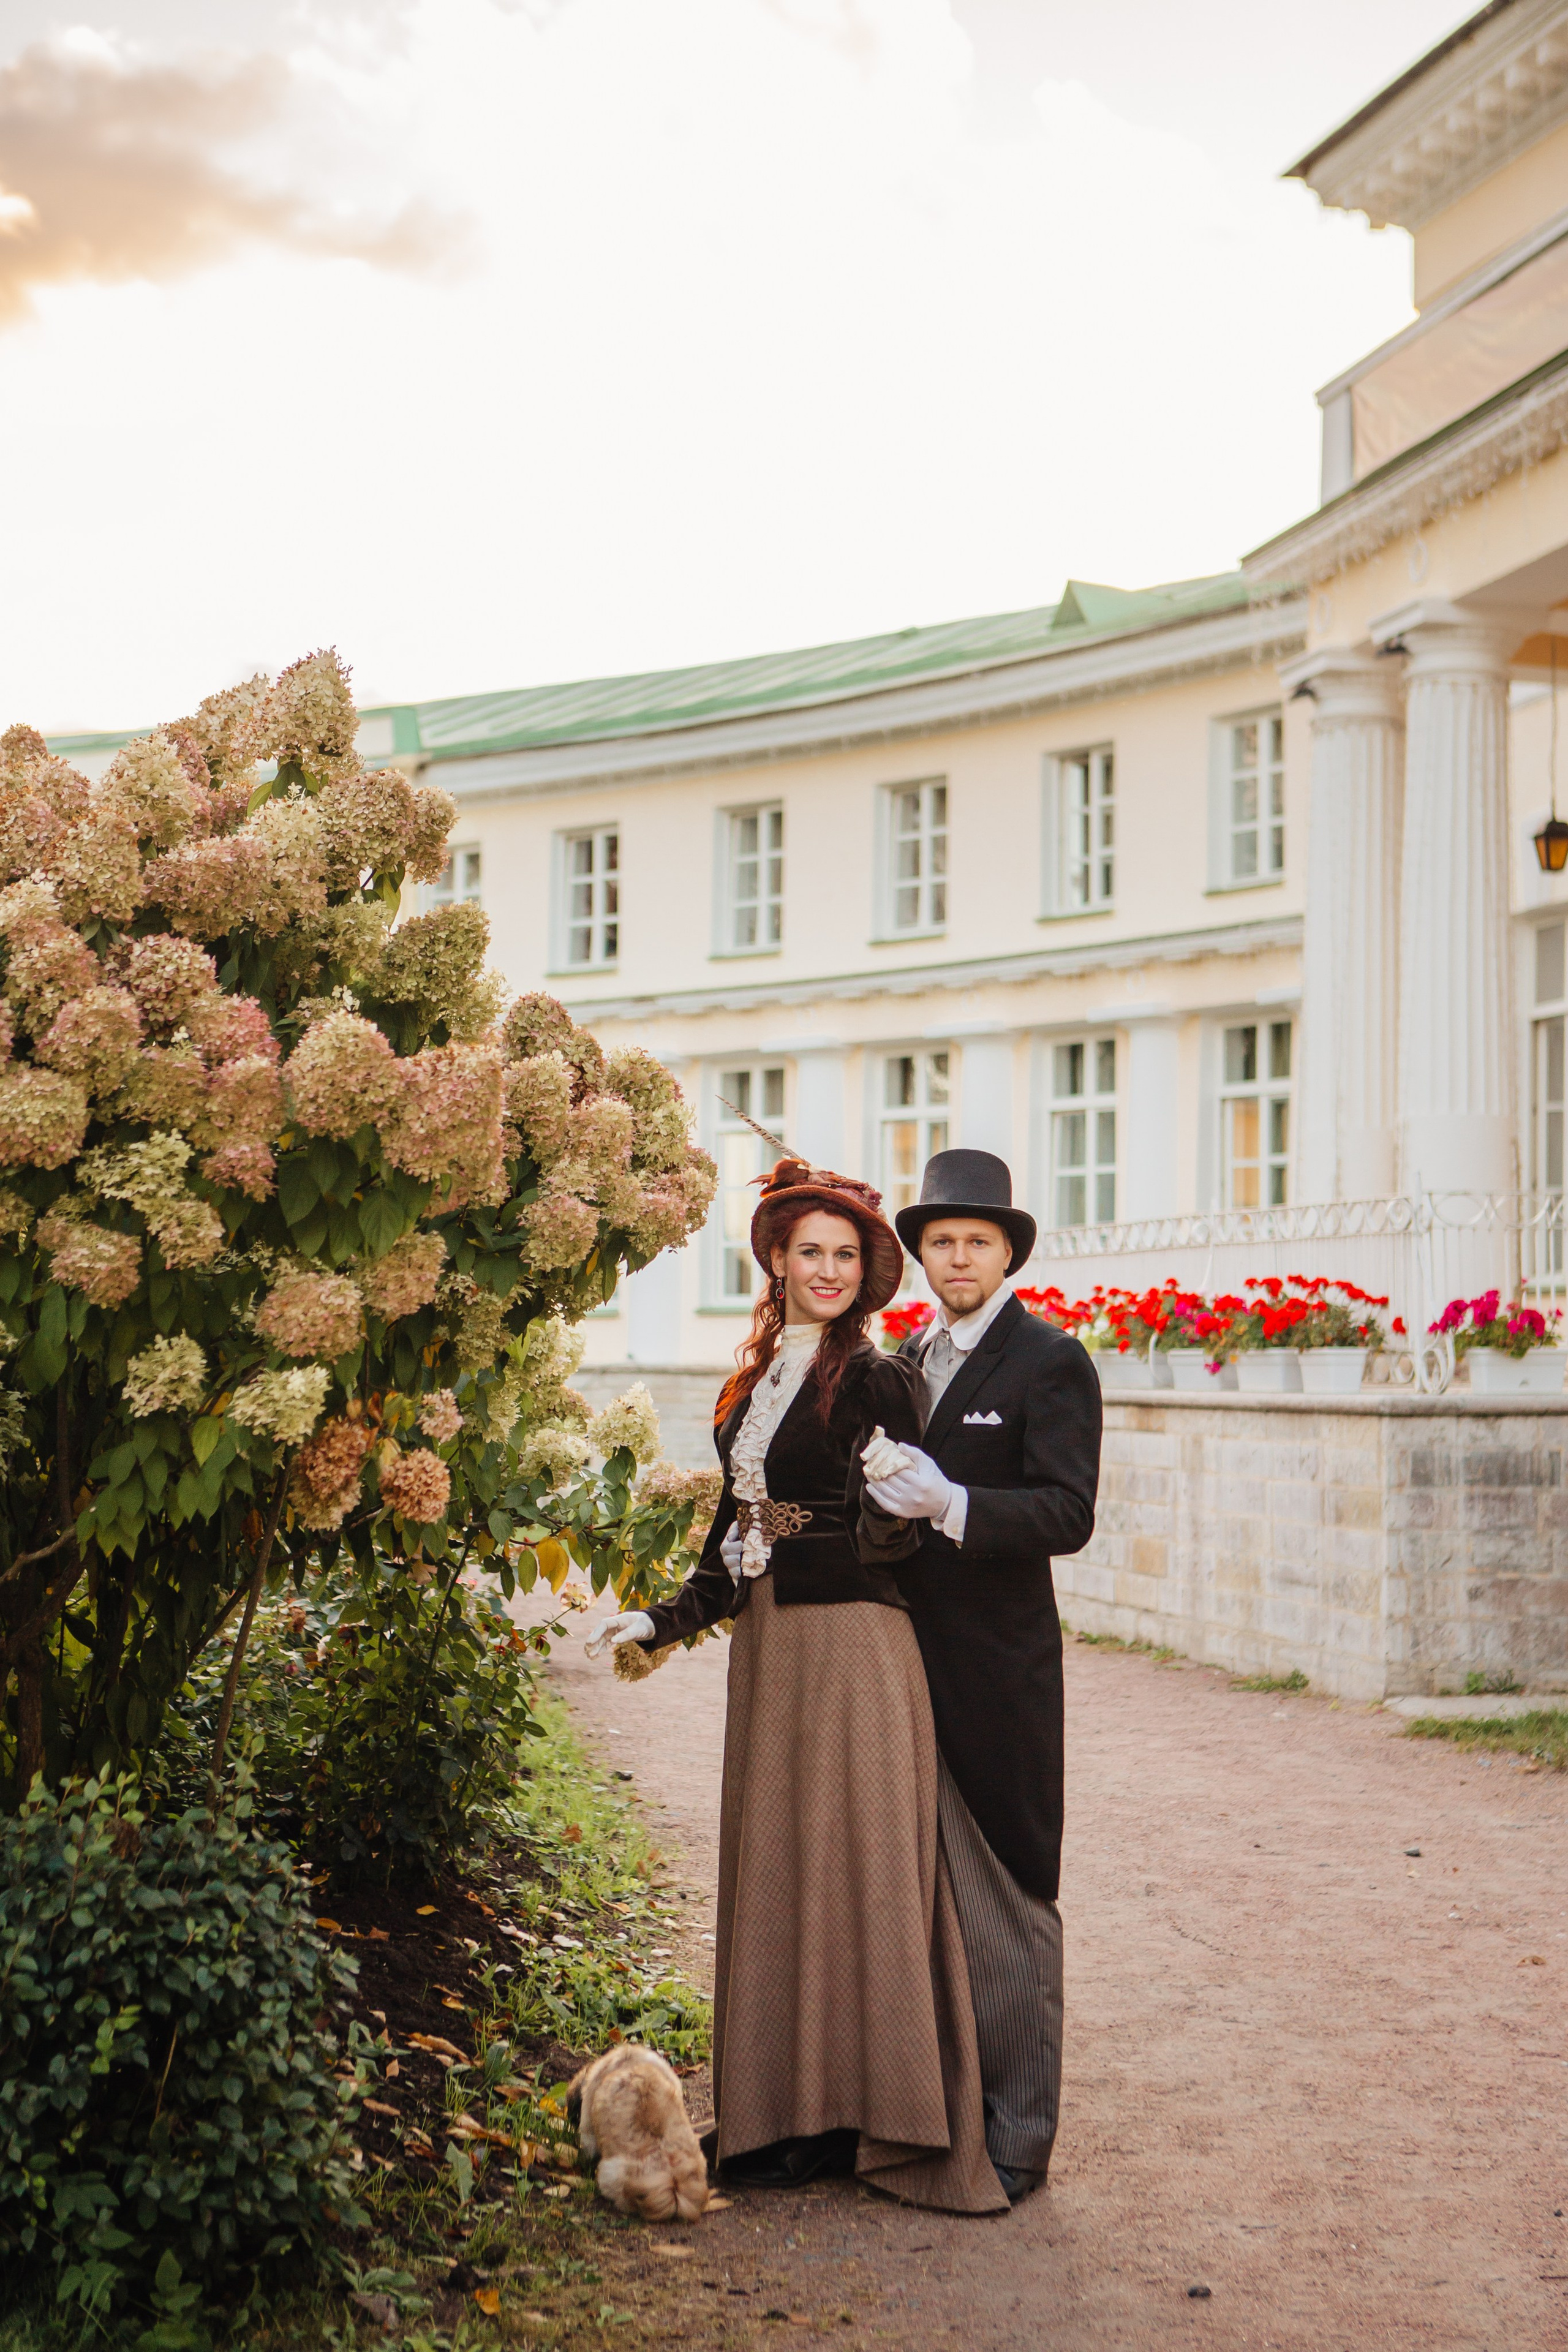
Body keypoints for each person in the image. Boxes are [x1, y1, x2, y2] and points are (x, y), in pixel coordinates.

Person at [588, 1158, 1008, 2214]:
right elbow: (748, 1528)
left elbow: (888, 1537)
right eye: (809, 1252)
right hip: (775, 1650)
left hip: (858, 1652)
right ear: (775, 1259)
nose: (828, 1270)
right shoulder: (755, 1381)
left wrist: (888, 1499)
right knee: (781, 1867)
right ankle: (784, 2113)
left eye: (846, 1256)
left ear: (867, 1272)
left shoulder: (877, 1379)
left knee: (857, 1869)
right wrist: (670, 1616)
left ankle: (870, 2115)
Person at [862, 1148, 1102, 2204]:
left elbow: (1068, 1513)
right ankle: (938, 2110)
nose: (958, 1256)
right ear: (920, 1256)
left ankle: (1021, 2137)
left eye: (978, 1241)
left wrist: (949, 1503)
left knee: (1012, 1900)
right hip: (902, 1665)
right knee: (924, 1899)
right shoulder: (903, 1361)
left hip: (1001, 1676)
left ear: (1007, 1252)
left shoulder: (1051, 1361)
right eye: (941, 1242)